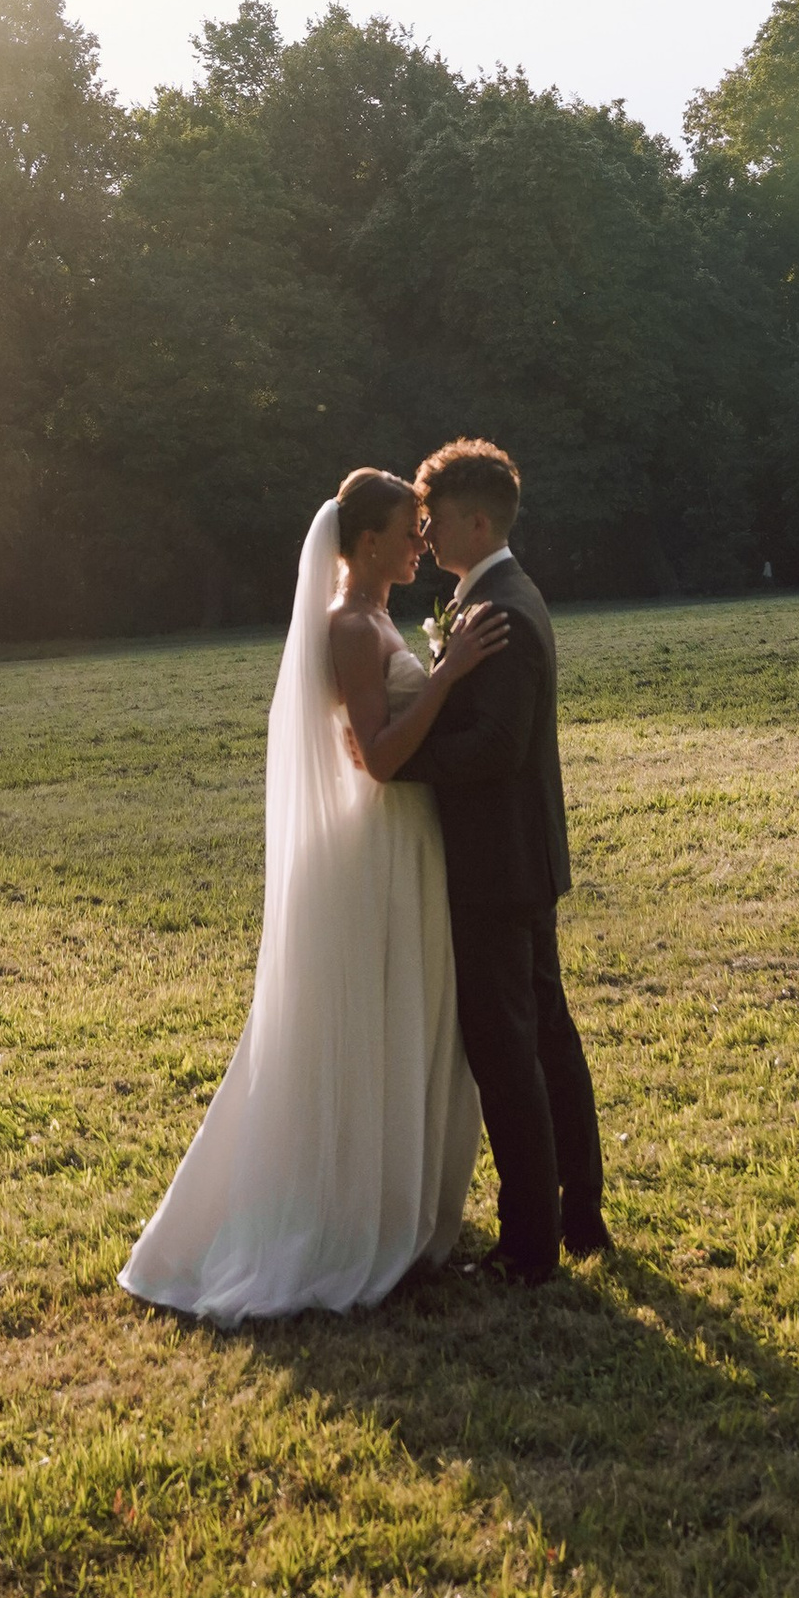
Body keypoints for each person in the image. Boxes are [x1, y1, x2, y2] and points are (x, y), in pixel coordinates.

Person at [117, 469, 507, 1322]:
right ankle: (342, 1215)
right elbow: (381, 757)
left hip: (408, 841)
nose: (420, 543)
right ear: (366, 542)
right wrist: (446, 677)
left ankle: (396, 1198)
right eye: (407, 531)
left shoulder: (376, 617)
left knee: (405, 1017)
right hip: (379, 845)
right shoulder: (349, 627)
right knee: (367, 1022)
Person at [392, 436, 610, 1281]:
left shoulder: (503, 611)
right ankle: (578, 1213)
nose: (426, 533)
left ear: (477, 523)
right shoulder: (499, 595)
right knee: (546, 1034)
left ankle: (528, 1243)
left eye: (436, 520)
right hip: (521, 856)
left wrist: (401, 761)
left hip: (497, 864)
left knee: (509, 1050)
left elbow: (496, 746)